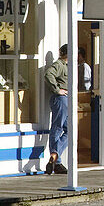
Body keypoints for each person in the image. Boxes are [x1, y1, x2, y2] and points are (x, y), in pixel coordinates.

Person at [44, 45, 69, 174]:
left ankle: (54, 155)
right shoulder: (59, 64)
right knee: (57, 128)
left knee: (69, 130)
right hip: (61, 99)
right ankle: (57, 162)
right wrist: (57, 89)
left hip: (66, 99)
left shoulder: (67, 65)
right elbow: (48, 74)